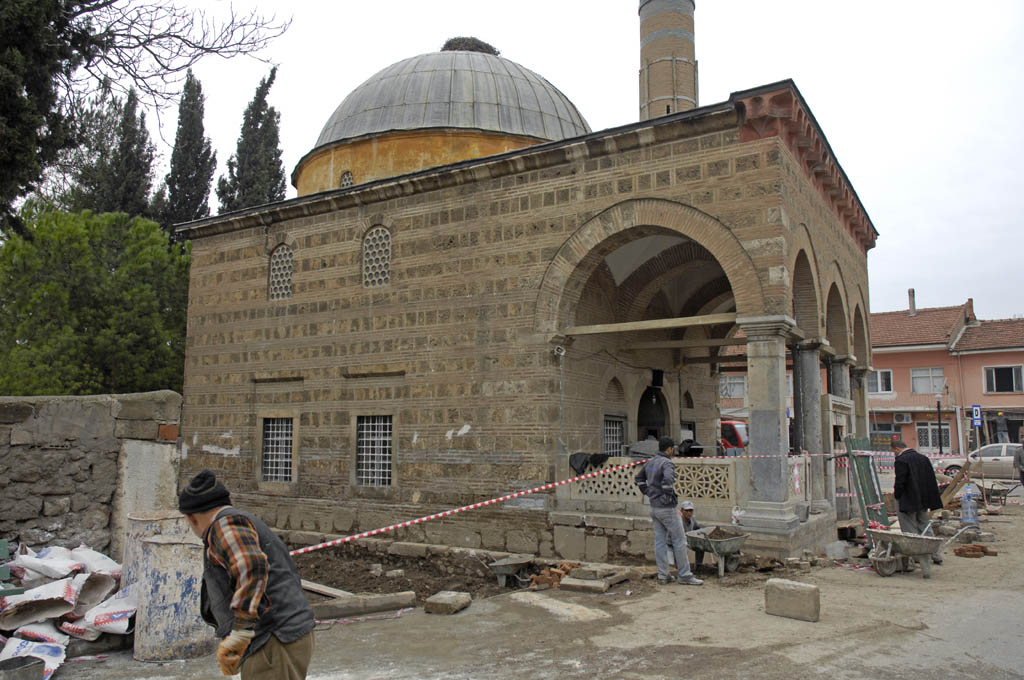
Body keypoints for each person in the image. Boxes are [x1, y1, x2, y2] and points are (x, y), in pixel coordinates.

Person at [179, 470, 315, 679]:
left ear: (192, 518)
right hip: (283, 635)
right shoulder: (239, 521)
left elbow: (252, 568)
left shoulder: (224, 525)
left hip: (273, 639)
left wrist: (241, 632)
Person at [635, 437, 703, 586]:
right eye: (673, 449)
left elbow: (638, 478)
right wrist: (666, 497)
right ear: (669, 449)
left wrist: (648, 492)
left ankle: (663, 575)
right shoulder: (667, 463)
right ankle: (685, 575)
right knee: (679, 540)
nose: (673, 451)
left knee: (660, 542)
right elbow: (667, 481)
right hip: (666, 508)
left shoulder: (650, 462)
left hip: (654, 508)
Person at [891, 439, 944, 571]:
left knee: (910, 529)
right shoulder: (923, 458)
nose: (894, 454)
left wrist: (897, 495)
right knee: (925, 526)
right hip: (923, 499)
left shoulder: (901, 460)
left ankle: (916, 556)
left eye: (893, 451)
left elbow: (900, 481)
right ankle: (935, 554)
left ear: (897, 449)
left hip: (907, 500)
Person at [680, 500, 705, 568]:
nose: (689, 513)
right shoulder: (679, 521)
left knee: (701, 545)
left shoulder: (692, 519)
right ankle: (682, 566)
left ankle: (698, 565)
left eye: (691, 511)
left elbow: (697, 528)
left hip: (689, 540)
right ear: (682, 510)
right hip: (679, 541)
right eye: (686, 511)